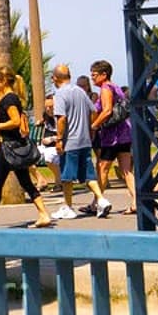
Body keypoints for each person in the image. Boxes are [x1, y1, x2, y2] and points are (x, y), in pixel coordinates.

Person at [0, 65, 53, 228]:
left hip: (10, 148)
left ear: (2, 81)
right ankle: (43, 214)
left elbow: (15, 121)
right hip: (11, 146)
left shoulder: (9, 99)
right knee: (25, 182)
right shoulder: (10, 98)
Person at [51, 64, 111, 220]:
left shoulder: (60, 94)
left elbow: (61, 118)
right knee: (88, 174)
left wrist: (58, 139)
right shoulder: (80, 92)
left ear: (55, 78)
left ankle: (68, 207)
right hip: (84, 140)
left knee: (67, 176)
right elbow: (93, 111)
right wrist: (91, 129)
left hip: (69, 141)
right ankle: (101, 199)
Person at [89, 59, 136, 214]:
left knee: (103, 167)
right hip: (124, 133)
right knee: (126, 170)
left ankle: (98, 202)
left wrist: (95, 125)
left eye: (94, 74)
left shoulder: (106, 88)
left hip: (112, 135)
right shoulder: (116, 87)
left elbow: (107, 110)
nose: (92, 77)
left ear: (104, 74)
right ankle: (136, 201)